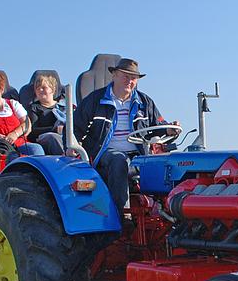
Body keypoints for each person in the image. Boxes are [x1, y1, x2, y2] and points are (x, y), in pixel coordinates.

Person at [73, 58, 180, 215]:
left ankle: (168, 213)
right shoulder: (96, 100)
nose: (129, 81)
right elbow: (76, 127)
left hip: (138, 154)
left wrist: (170, 130)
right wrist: (72, 148)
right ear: (114, 75)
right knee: (119, 161)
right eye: (125, 76)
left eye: (133, 78)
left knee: (171, 164)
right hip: (106, 152)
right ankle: (122, 214)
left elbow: (156, 127)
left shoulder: (145, 102)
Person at [25, 72, 66, 156]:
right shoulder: (34, 108)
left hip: (65, 136)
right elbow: (32, 132)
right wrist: (54, 129)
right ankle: (66, 160)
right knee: (53, 137)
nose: (40, 90)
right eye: (38, 88)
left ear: (53, 89)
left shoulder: (65, 107)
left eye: (44, 88)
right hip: (44, 139)